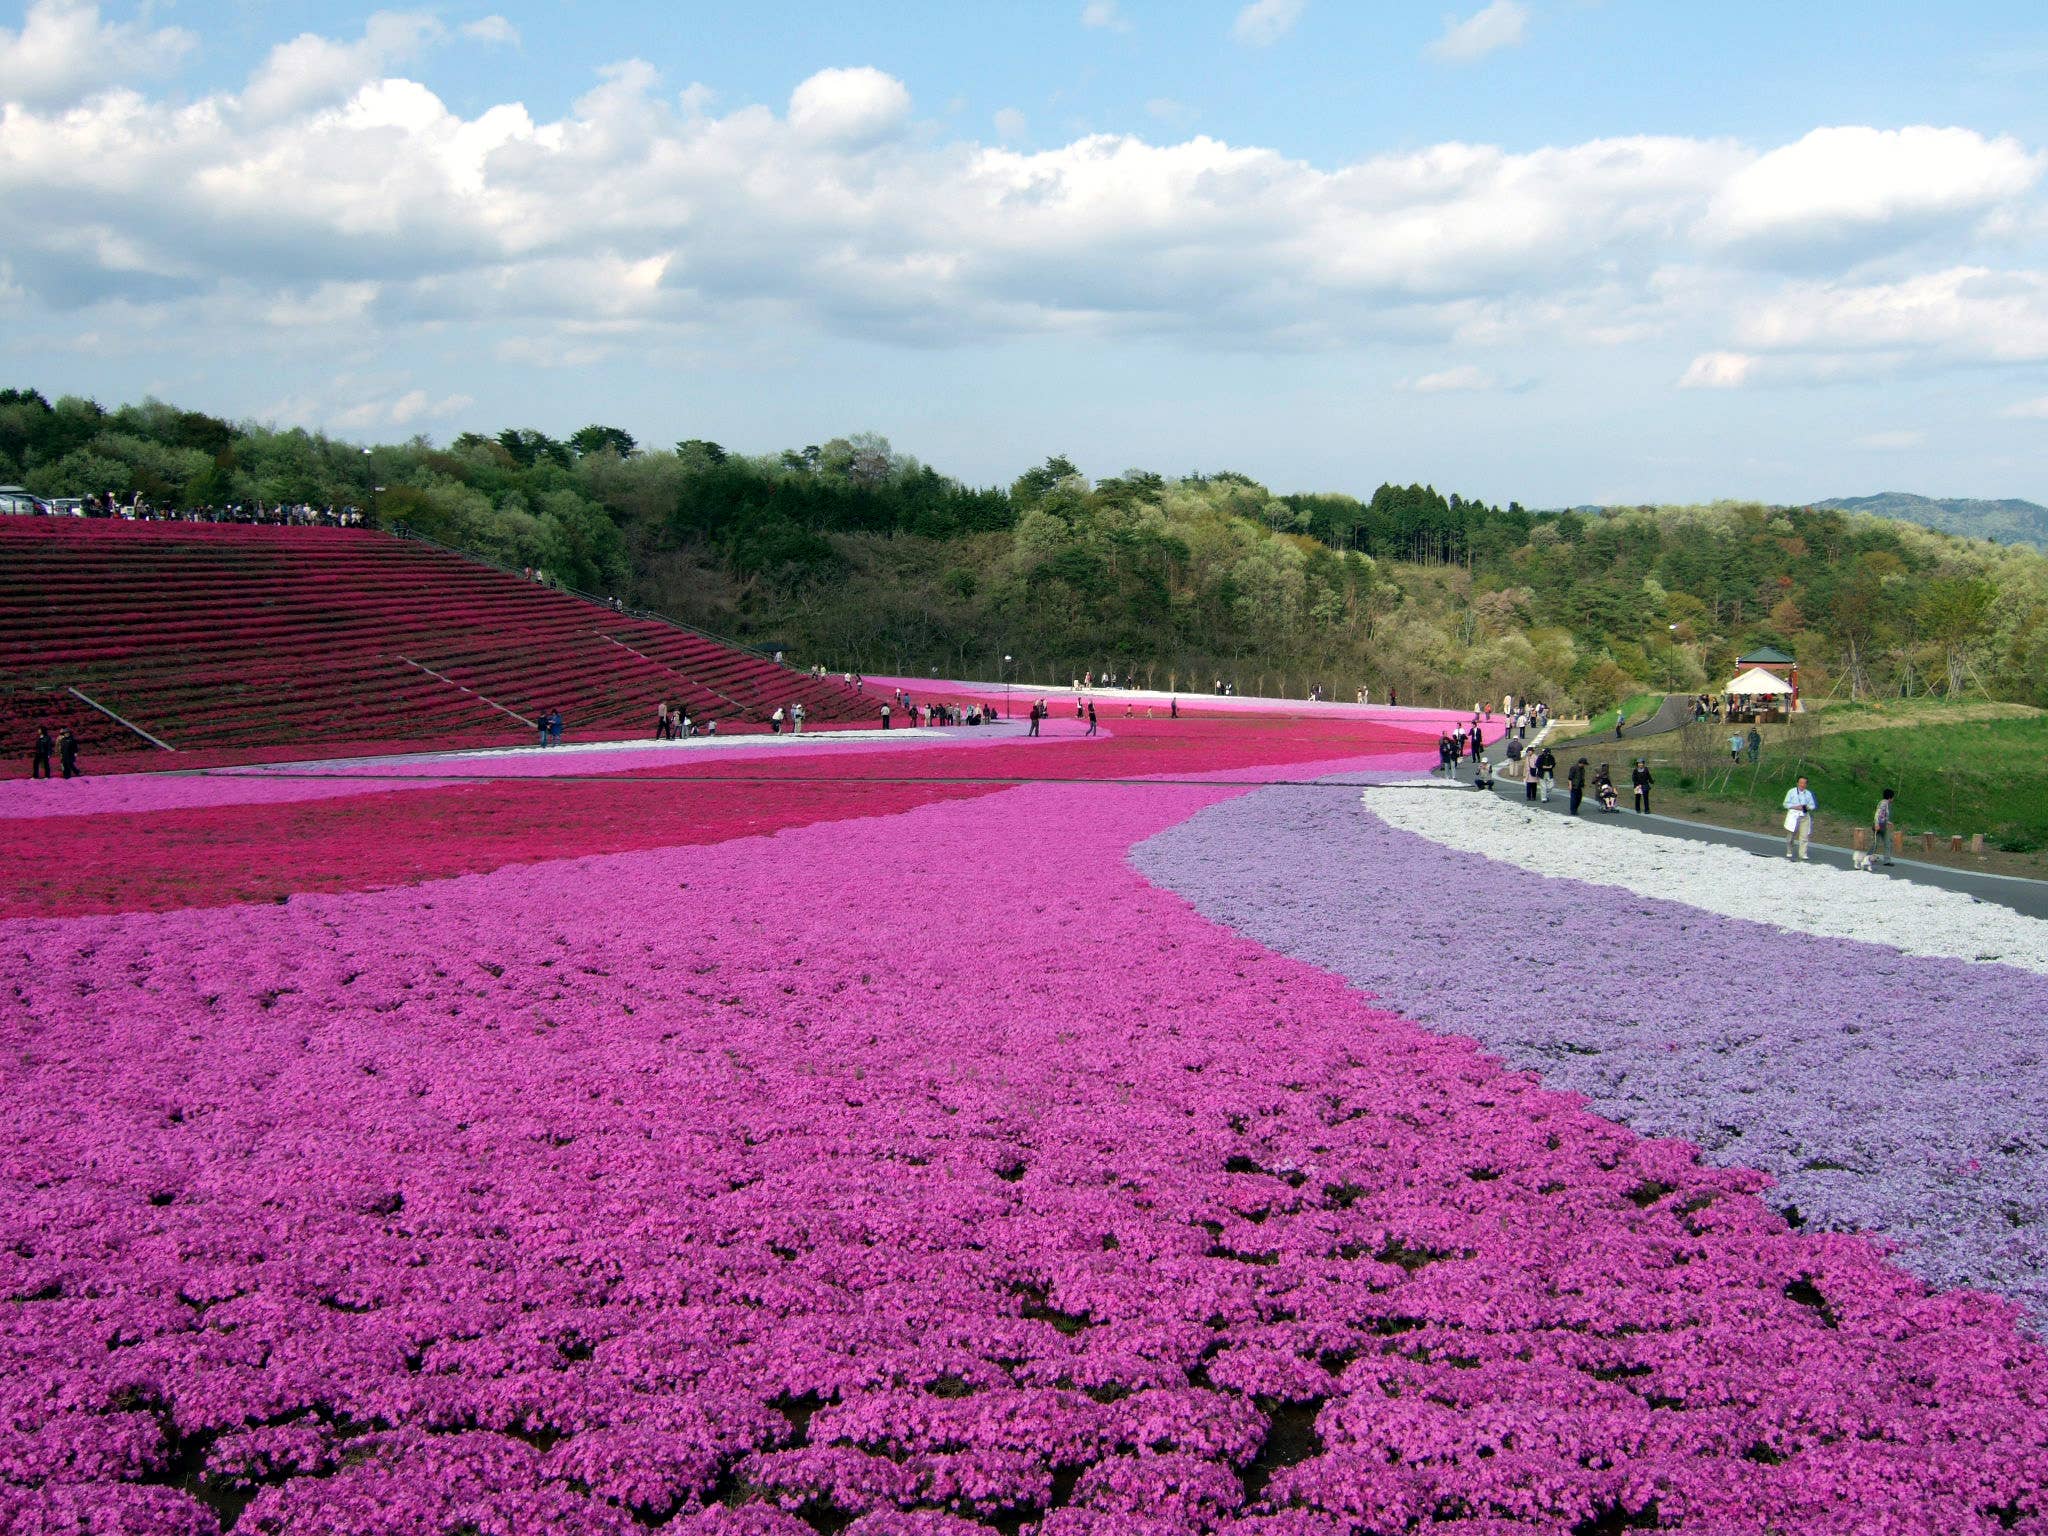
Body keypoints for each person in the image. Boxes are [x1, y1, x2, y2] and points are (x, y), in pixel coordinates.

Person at [1783, 775, 1817, 861]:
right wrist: (1795, 807)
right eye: (1801, 782)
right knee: (1790, 836)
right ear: (1797, 783)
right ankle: (1789, 850)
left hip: (1804, 816)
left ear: (1806, 784)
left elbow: (1813, 805)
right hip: (1793, 816)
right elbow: (1785, 804)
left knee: (1804, 836)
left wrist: (1807, 807)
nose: (1802, 784)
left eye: (1804, 783)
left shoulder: (1808, 793)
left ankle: (1803, 854)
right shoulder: (1791, 792)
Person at [1874, 787, 1896, 866]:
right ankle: (1868, 857)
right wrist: (1876, 824)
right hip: (1880, 825)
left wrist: (1888, 822)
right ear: (1890, 797)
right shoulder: (1884, 803)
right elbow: (1877, 814)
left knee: (1887, 842)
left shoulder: (1885, 803)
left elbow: (1883, 816)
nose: (1893, 799)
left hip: (1883, 825)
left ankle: (1887, 861)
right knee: (1877, 843)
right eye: (1893, 797)